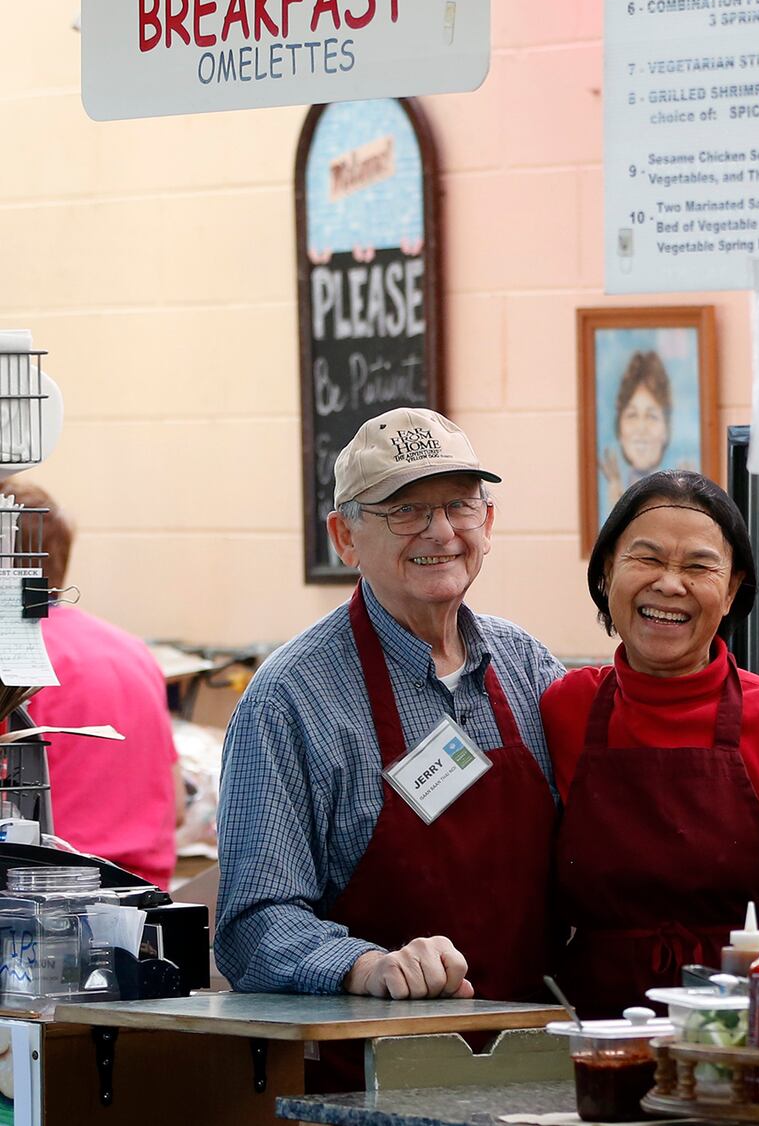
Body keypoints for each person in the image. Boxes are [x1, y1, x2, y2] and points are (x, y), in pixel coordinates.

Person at [215, 408, 563, 1032]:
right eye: (404, 510)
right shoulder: (289, 700)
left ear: (488, 522)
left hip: (536, 1068)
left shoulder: (530, 669)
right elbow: (252, 925)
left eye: (459, 505)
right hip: (375, 1079)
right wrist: (366, 965)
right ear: (343, 537)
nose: (439, 532)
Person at [540, 470, 759, 1017]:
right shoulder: (563, 708)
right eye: (646, 559)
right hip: (595, 1039)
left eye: (698, 566)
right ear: (606, 572)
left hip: (745, 1039)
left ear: (733, 588)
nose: (670, 584)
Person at [2, 479, 181, 888]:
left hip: (48, 898)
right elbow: (178, 808)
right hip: (146, 899)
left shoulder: (15, 660)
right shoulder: (132, 650)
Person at [599, 350, 676, 517]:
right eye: (632, 415)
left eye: (652, 416)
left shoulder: (678, 498)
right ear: (619, 429)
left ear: (666, 430)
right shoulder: (612, 495)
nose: (641, 428)